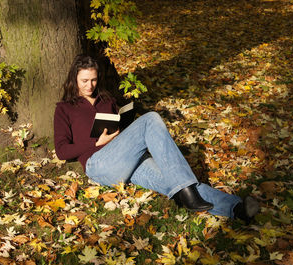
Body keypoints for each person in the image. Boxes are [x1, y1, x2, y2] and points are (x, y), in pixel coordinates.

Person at [54, 55, 259, 223]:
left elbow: (122, 130)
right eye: (84, 81)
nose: (89, 85)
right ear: (74, 80)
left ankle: (236, 208)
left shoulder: (107, 100)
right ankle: (188, 194)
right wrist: (96, 143)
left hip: (127, 160)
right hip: (99, 165)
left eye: (93, 80)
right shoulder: (64, 108)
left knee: (175, 178)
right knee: (151, 119)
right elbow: (62, 151)